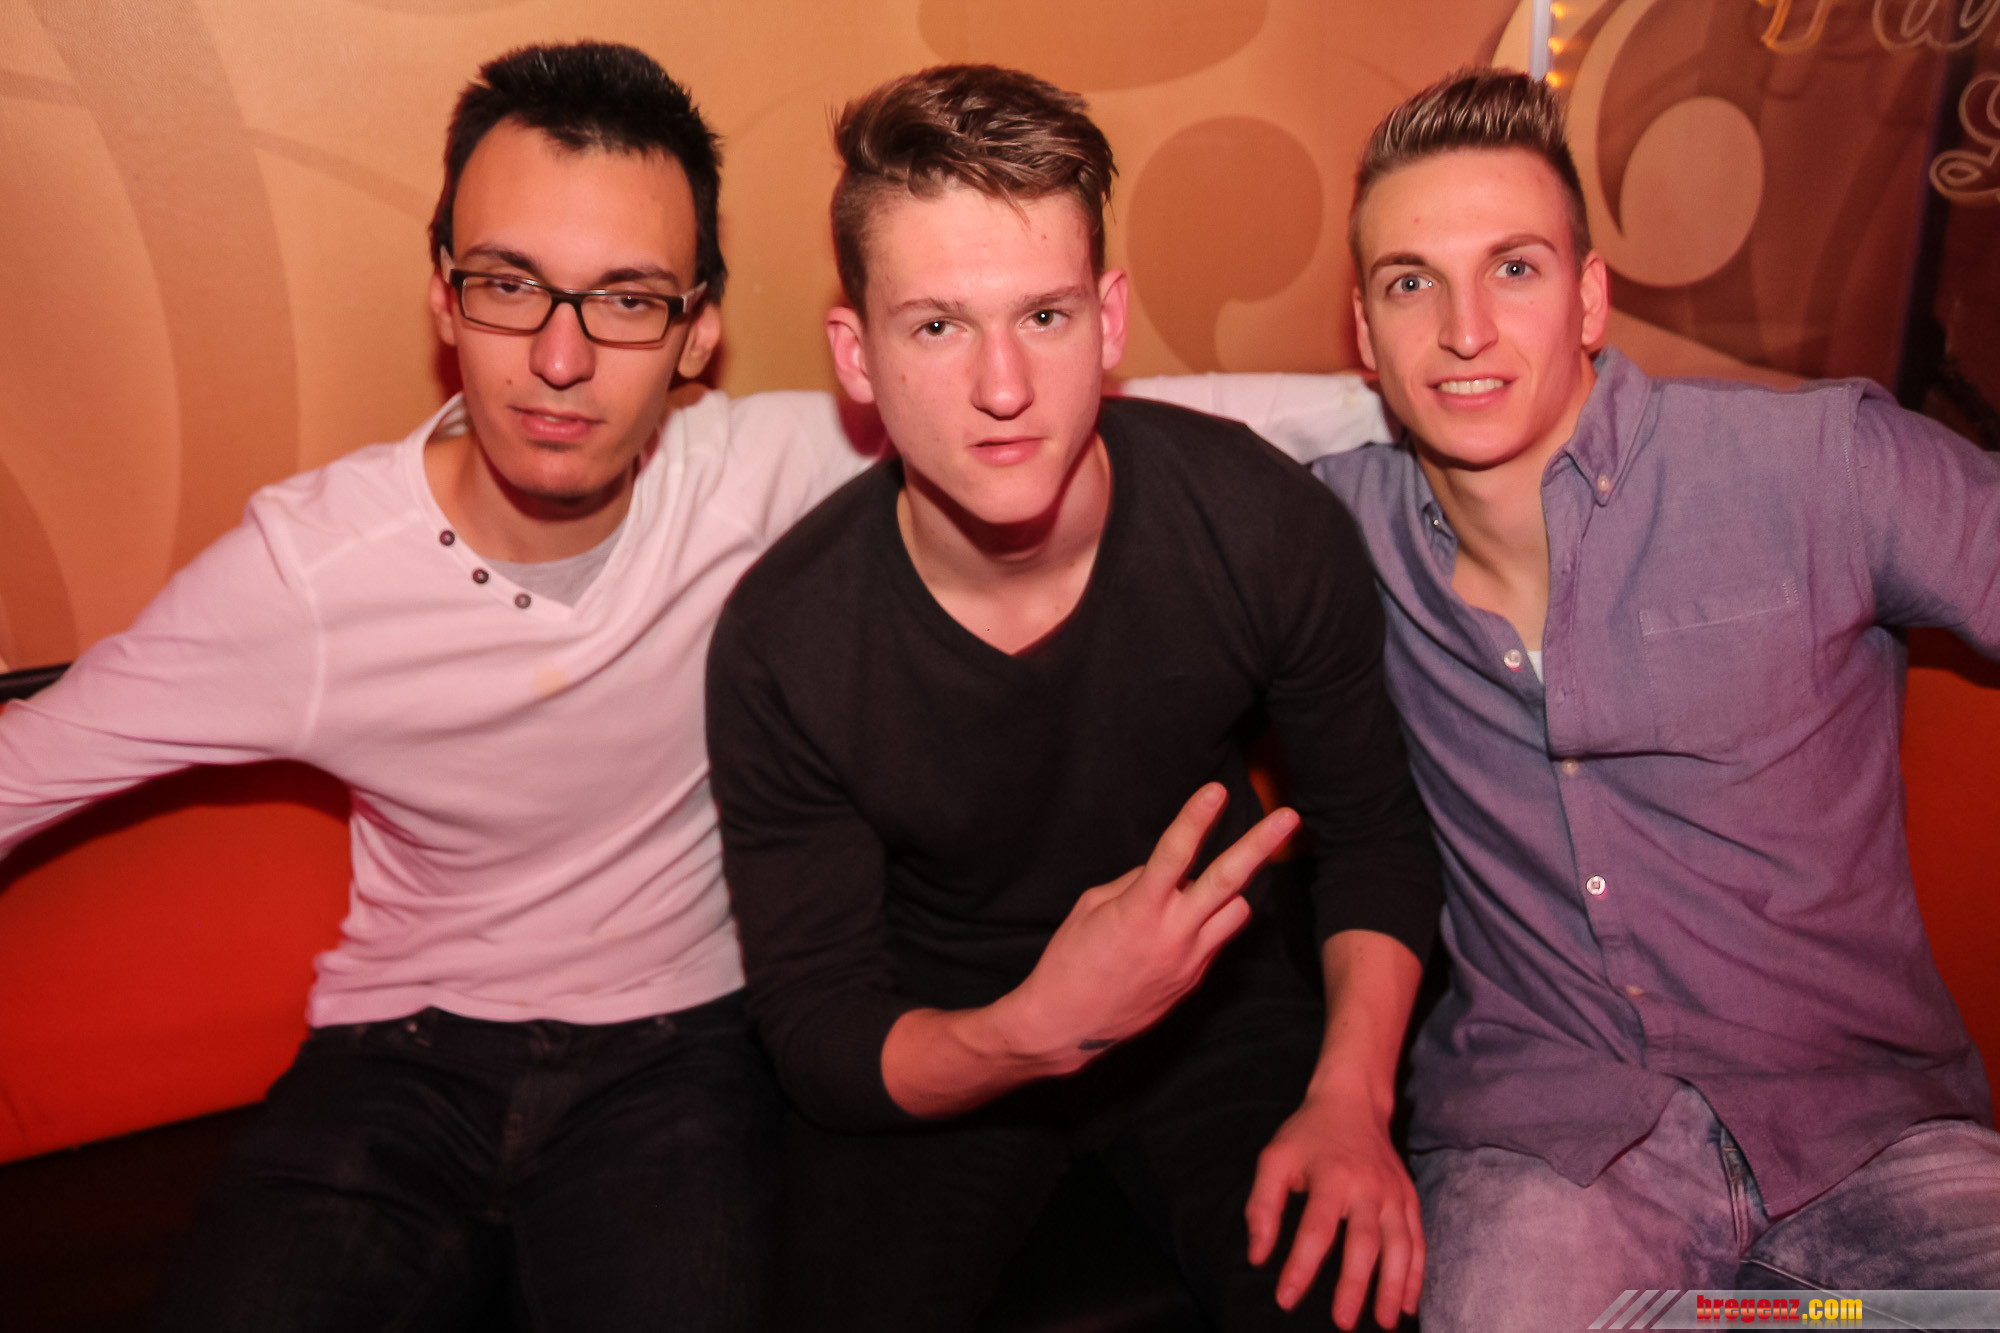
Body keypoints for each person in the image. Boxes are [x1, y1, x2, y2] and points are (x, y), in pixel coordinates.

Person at [0, 42, 876, 1331]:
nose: (561, 358)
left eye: (626, 299)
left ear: (698, 331)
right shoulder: (312, 573)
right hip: (395, 1060)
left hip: (683, 1056)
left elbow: (1087, 418)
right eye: (510, 285)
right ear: (444, 300)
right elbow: (22, 769)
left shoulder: (766, 476)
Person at [1158, 68, 2000, 1332]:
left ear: (1590, 297)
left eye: (1513, 268)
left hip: (1871, 1134)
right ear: (1364, 330)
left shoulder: (1817, 467)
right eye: (1410, 283)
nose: (1463, 330)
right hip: (1548, 1151)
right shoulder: (1333, 541)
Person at [705, 64, 1443, 1332]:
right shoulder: (786, 643)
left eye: (1041, 316)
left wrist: (1349, 1098)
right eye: (937, 327)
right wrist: (1032, 1030)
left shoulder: (1261, 527)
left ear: (1106, 322)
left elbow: (1374, 838)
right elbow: (818, 1030)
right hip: (952, 1027)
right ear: (857, 355)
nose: (1002, 386)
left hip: (1215, 1003)